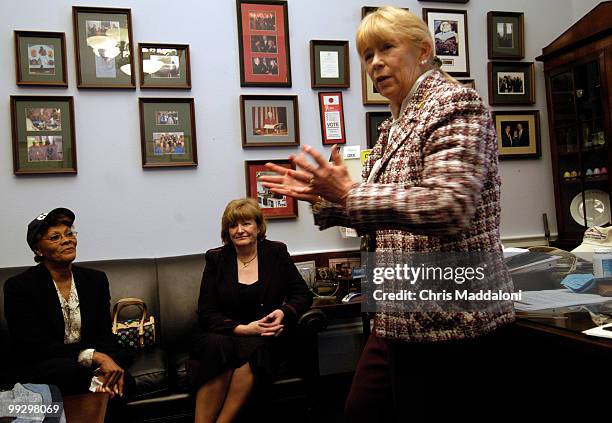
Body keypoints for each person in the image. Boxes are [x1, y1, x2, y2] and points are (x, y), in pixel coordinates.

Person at [260, 7, 514, 422]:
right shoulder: (394, 124)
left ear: (425, 50)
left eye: (386, 48)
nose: (374, 62)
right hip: (397, 312)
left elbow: (447, 206)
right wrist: (325, 198)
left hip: (450, 316)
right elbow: (383, 208)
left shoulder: (455, 104)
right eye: (366, 55)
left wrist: (350, 192)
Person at [3, 208, 134, 422]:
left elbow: (104, 336)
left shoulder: (95, 280)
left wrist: (107, 363)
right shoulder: (20, 287)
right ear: (39, 250)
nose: (67, 240)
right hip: (45, 366)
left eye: (69, 234)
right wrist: (95, 357)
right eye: (56, 237)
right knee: (69, 372)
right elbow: (33, 347)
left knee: (124, 381)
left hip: (86, 369)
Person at [189, 198, 312, 423]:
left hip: (265, 335)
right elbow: (206, 312)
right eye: (233, 225)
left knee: (255, 350)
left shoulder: (276, 252)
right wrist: (244, 329)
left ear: (258, 226)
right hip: (226, 332)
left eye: (246, 223)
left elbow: (303, 295)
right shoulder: (216, 258)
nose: (240, 230)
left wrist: (283, 312)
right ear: (227, 231)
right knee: (220, 348)